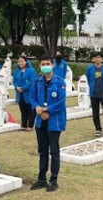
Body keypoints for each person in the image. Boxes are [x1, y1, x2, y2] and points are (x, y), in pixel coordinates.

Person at [30, 54, 67, 192]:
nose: (45, 66)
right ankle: (41, 179)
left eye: (47, 64)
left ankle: (53, 180)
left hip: (54, 121)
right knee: (42, 150)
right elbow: (32, 97)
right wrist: (38, 109)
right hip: (41, 121)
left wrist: (46, 110)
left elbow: (61, 102)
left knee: (54, 151)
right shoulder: (37, 81)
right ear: (39, 66)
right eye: (43, 64)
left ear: (52, 65)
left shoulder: (60, 82)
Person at [86, 51, 103, 136]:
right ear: (93, 59)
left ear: (102, 59)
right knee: (95, 113)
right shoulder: (90, 69)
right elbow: (89, 80)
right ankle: (98, 128)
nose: (97, 59)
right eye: (96, 57)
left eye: (99, 57)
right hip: (94, 94)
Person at [13, 55, 37, 130]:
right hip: (19, 94)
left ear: (26, 62)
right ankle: (23, 125)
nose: (20, 63)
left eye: (22, 61)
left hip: (28, 93)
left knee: (30, 110)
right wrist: (16, 87)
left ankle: (30, 126)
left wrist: (23, 88)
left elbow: (32, 81)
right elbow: (14, 80)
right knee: (23, 110)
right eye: (19, 61)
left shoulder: (31, 70)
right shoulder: (17, 71)